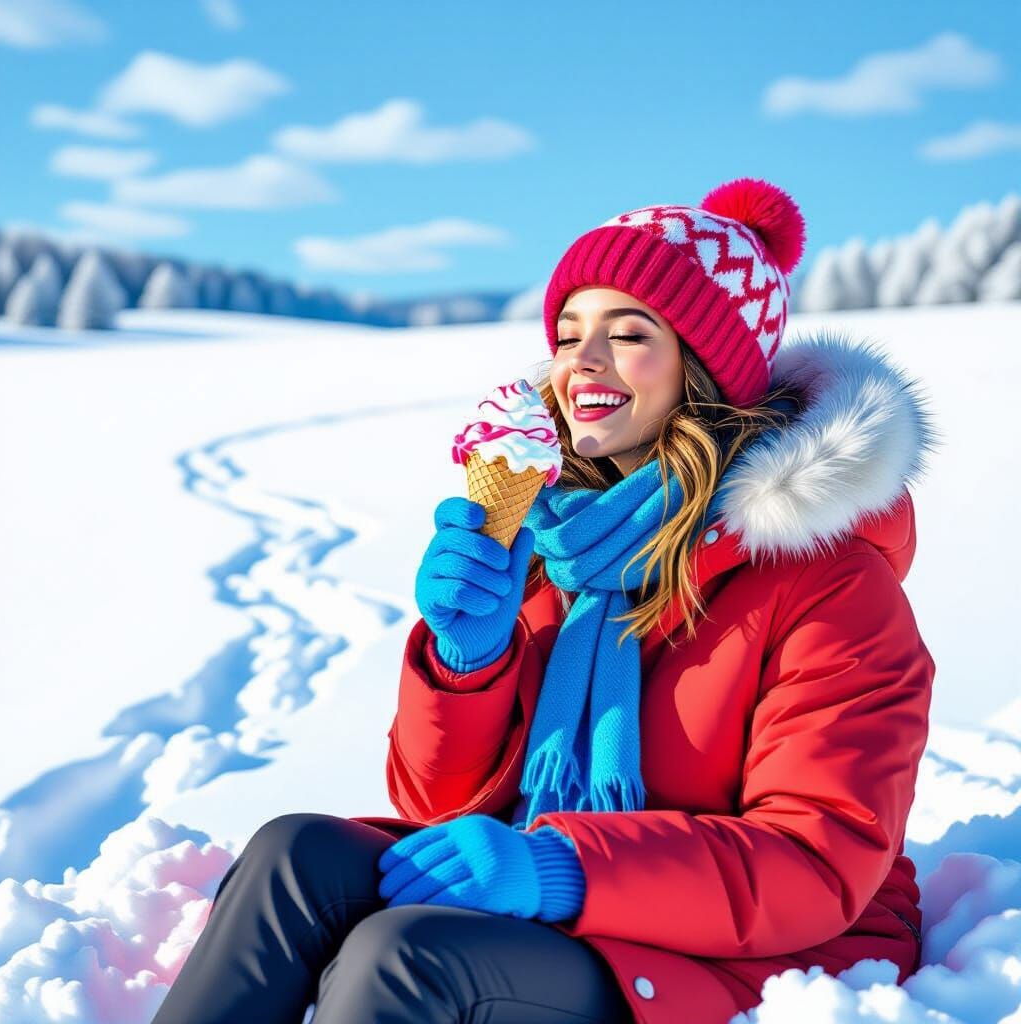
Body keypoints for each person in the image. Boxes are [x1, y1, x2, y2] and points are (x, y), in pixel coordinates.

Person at [151, 177, 938, 1024]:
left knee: (406, 958)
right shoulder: (547, 542)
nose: (580, 363)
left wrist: (562, 867)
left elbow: (815, 861)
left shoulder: (829, 584)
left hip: (778, 956)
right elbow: (438, 809)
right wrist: (466, 664)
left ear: (708, 368)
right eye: (568, 335)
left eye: (628, 334)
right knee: (294, 853)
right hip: (573, 906)